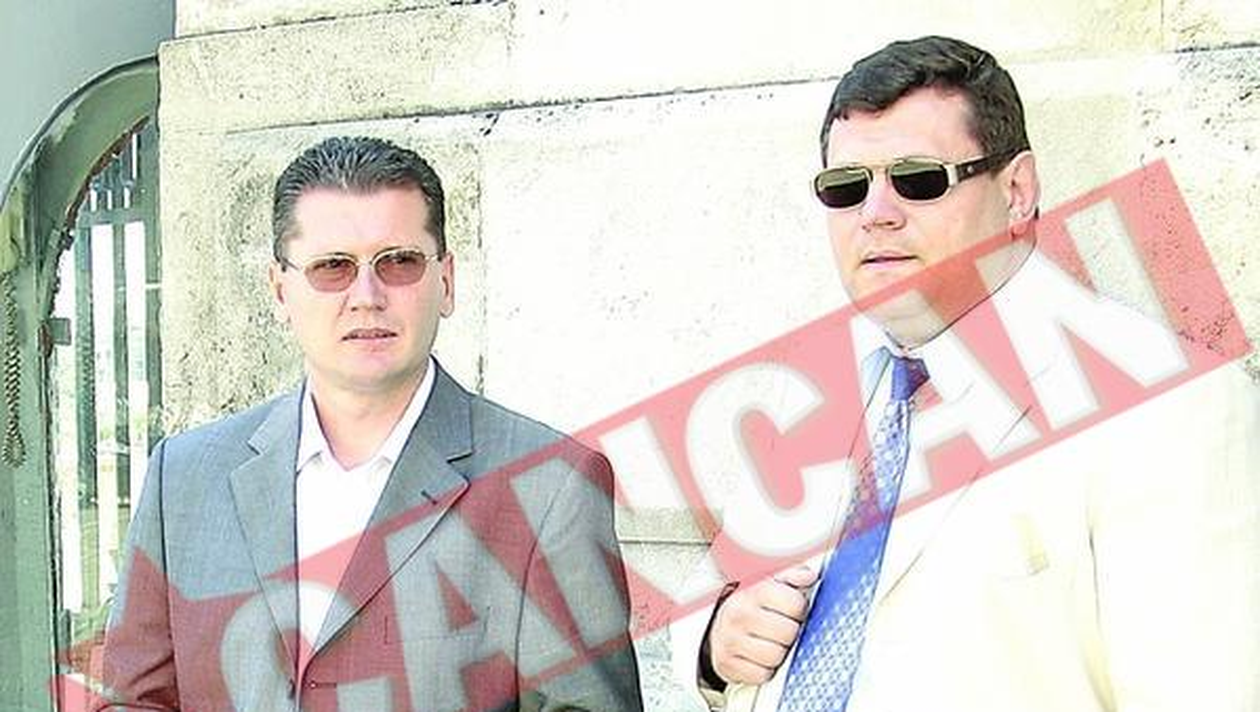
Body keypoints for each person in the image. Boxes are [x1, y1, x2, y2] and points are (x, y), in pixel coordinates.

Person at [673, 36, 1260, 711]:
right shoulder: (812, 381)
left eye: (919, 180)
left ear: (1017, 191)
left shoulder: (1170, 406)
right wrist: (718, 637)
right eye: (847, 187)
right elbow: (717, 588)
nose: (876, 213)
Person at [96, 136, 643, 712]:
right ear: (280, 290)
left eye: (399, 262)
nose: (366, 296)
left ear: (446, 281)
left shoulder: (552, 486)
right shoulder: (182, 477)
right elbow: (134, 700)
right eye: (332, 267)